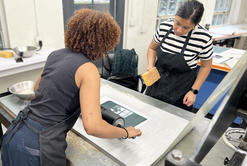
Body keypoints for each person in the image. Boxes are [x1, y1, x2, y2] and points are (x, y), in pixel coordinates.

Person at [1, 9, 142, 166]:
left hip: (14, 136)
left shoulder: (55, 54)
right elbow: (93, 126)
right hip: (38, 149)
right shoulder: (89, 70)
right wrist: (125, 132)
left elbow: (36, 89)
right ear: (104, 43)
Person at [146, 0, 213, 111]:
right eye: (177, 23)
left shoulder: (203, 37)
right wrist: (150, 66)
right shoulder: (164, 27)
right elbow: (152, 48)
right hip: (157, 81)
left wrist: (194, 91)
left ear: (195, 25)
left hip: (182, 88)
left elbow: (206, 66)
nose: (179, 30)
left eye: (186, 27)